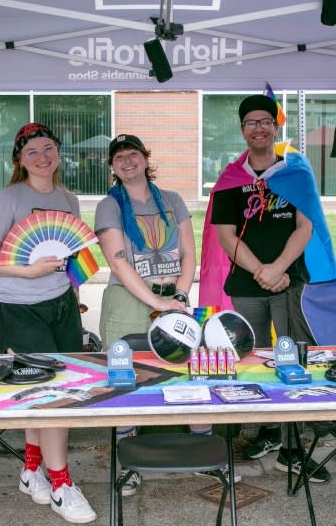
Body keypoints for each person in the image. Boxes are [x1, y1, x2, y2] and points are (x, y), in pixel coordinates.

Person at [201, 94, 336, 483]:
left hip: (289, 284)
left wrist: (277, 269)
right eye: (251, 122)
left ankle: (291, 449)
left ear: (275, 129)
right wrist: (259, 269)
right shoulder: (230, 179)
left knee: (291, 361)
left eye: (265, 121)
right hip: (246, 286)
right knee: (250, 360)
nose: (259, 128)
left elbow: (305, 227)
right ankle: (261, 432)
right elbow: (225, 236)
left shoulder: (296, 174)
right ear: (242, 130)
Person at [0, 122, 96, 524]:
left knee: (48, 392)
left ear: (58, 152)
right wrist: (27, 270)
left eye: (48, 148)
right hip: (19, 307)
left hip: (61, 305)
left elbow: (73, 257)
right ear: (19, 161)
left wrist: (74, 296)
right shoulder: (8, 198)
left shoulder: (69, 199)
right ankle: (61, 484)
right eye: (32, 152)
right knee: (52, 395)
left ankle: (30, 470)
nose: (43, 157)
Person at [95, 134, 225, 495]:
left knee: (187, 370)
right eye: (119, 157)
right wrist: (156, 303)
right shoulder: (109, 206)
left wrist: (179, 294)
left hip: (174, 299)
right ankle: (128, 463)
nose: (127, 161)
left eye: (132, 154)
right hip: (128, 302)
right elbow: (119, 263)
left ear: (145, 158)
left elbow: (188, 253)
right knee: (126, 378)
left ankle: (203, 452)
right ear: (112, 166)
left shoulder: (172, 200)